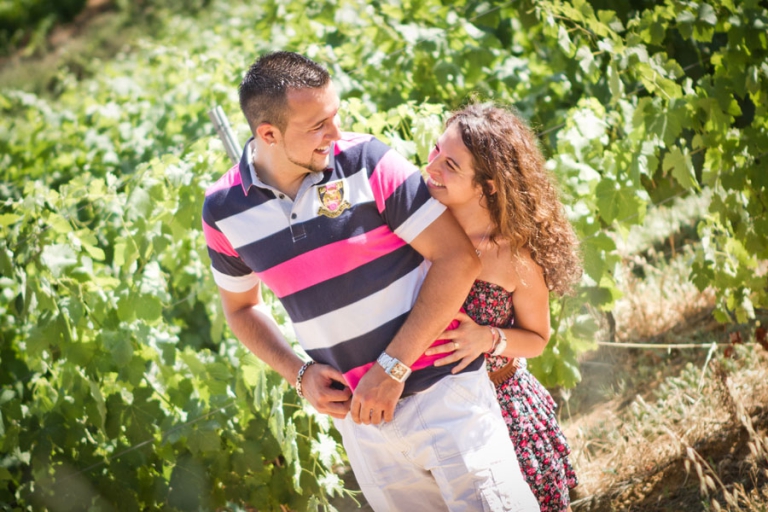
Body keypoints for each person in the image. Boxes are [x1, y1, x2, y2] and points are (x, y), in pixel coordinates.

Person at [202, 52, 540, 511]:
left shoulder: (367, 160)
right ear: (268, 134)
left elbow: (457, 260)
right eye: (318, 125)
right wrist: (298, 374)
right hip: (364, 427)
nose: (335, 134)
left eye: (334, 116)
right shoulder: (223, 212)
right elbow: (240, 310)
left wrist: (392, 369)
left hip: (446, 397)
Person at [422, 103, 582, 512]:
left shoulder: (514, 256)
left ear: (488, 186)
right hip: (430, 412)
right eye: (435, 151)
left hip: (499, 411)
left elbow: (538, 339)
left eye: (451, 165)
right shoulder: (415, 224)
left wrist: (487, 338)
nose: (432, 167)